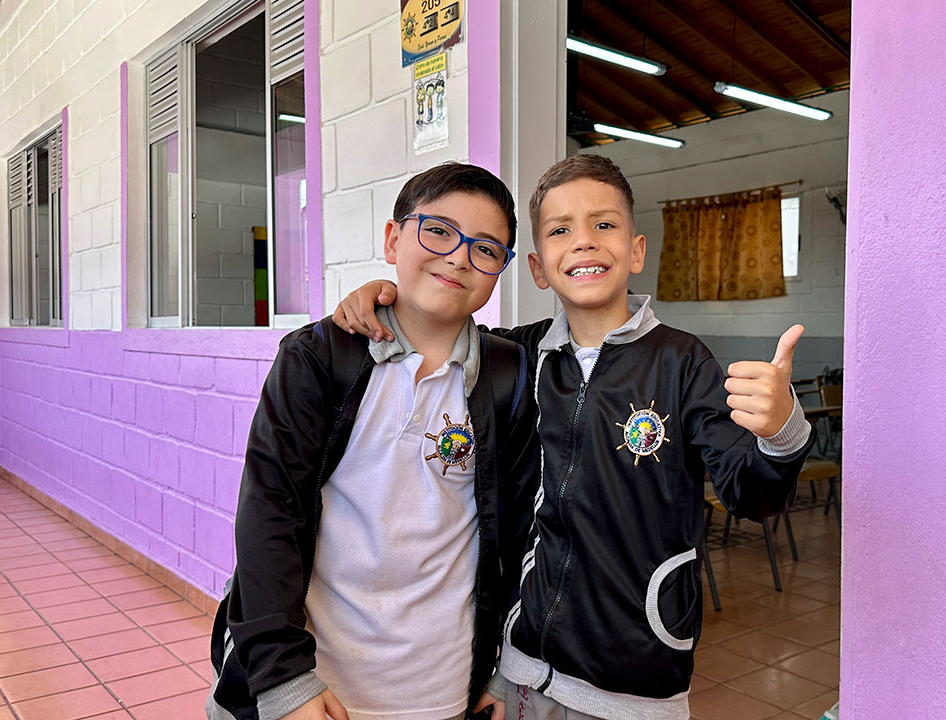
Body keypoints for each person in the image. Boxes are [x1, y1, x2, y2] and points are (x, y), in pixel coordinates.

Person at [334, 154, 813, 720]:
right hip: (520, 670)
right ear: (538, 268)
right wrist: (384, 297)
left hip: (636, 683)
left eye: (604, 224)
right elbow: (438, 326)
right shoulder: (515, 357)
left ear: (636, 250)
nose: (584, 241)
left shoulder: (683, 363)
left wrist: (781, 429)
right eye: (561, 230)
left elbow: (752, 496)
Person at [206, 163, 539, 720]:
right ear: (393, 239)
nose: (459, 257)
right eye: (438, 231)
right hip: (311, 685)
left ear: (500, 270)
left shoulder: (510, 374)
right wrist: (283, 678)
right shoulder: (318, 357)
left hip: (440, 690)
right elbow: (269, 512)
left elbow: (521, 533)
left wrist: (507, 669)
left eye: (486, 249)